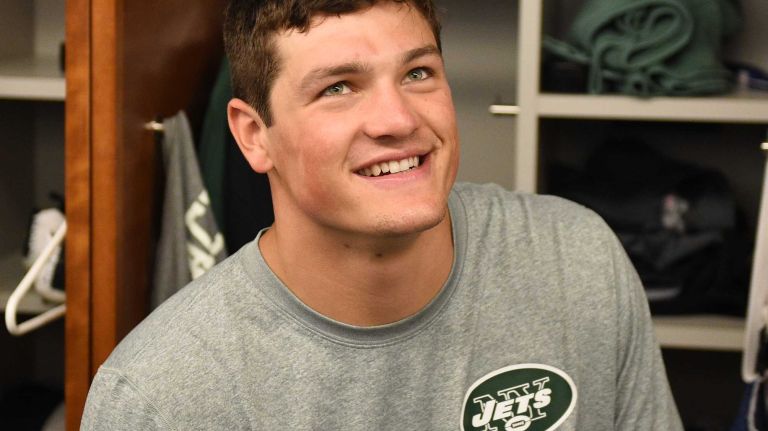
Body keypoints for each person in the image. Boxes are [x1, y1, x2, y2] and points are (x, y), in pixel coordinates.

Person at [80, 0, 684, 429]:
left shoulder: (574, 259)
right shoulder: (161, 397)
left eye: (418, 73)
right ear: (254, 135)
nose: (398, 120)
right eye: (338, 87)